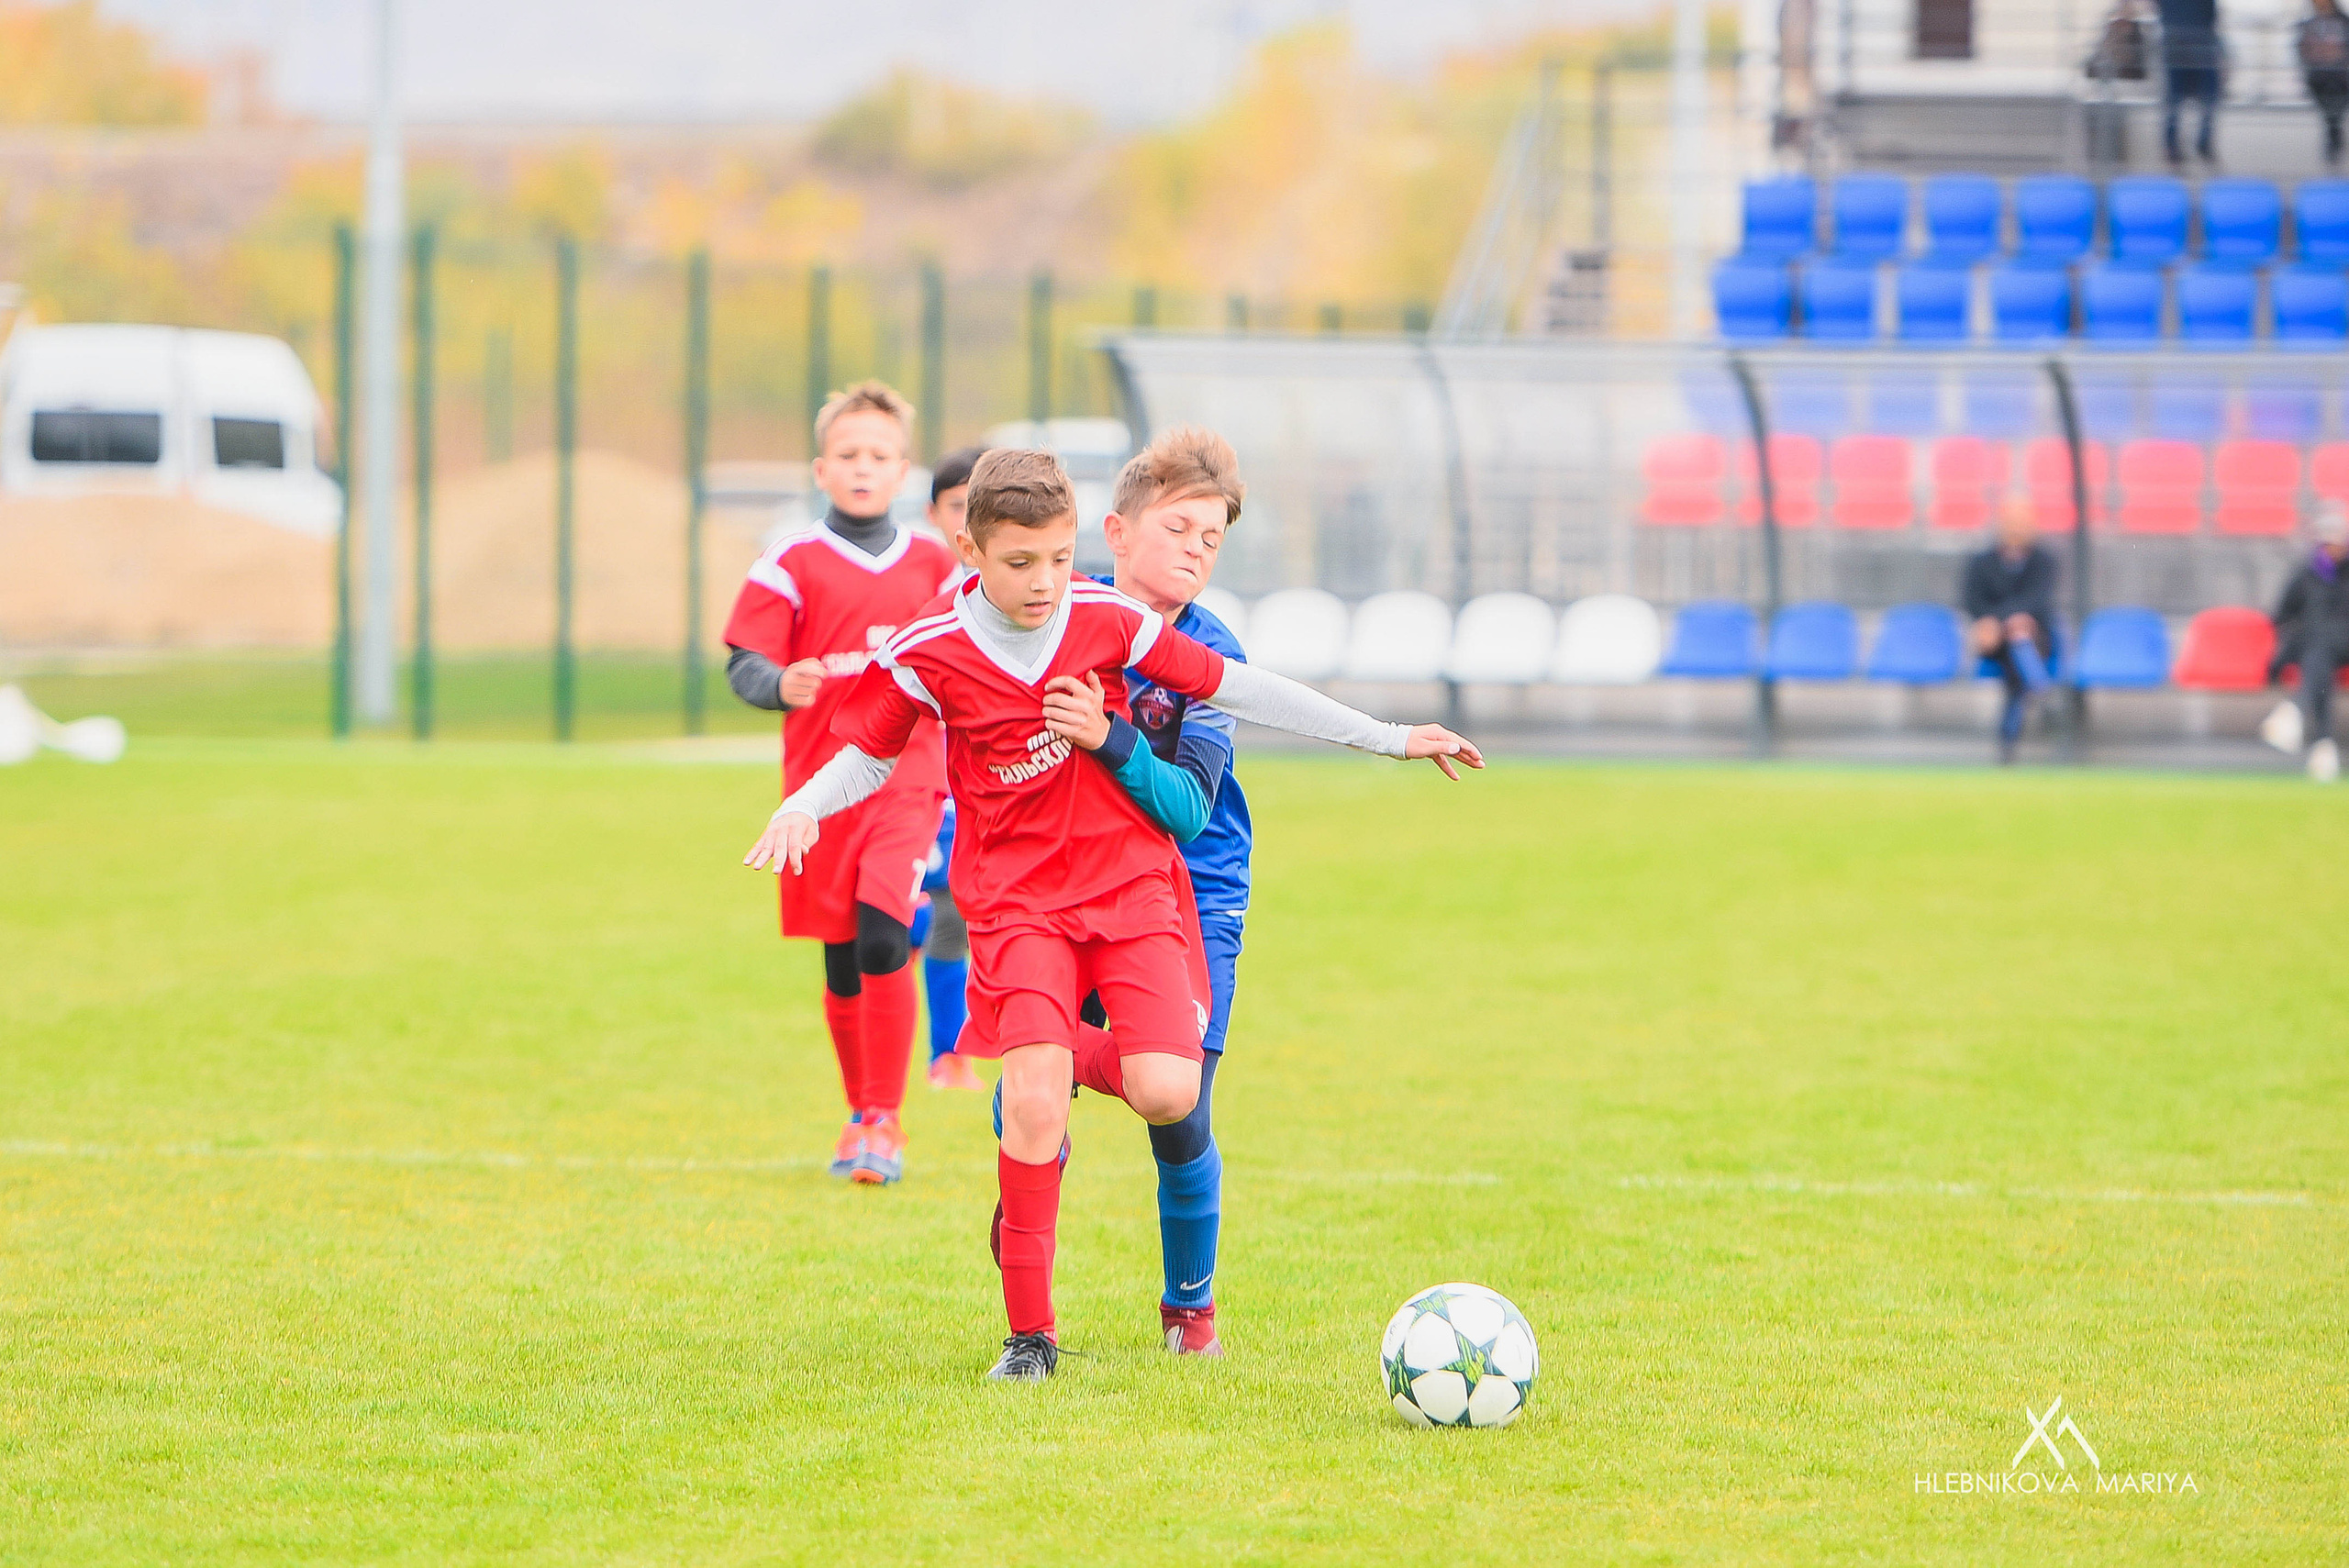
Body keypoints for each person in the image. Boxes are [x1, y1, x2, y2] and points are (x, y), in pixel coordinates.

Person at [743, 448, 1481, 1382]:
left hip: (1131, 888)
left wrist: (1387, 736)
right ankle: (1031, 1338)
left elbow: (1237, 686)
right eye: (1020, 563)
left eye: (1057, 558)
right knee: (1035, 1103)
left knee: (1168, 1091)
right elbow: (872, 750)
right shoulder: (929, 647)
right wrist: (804, 802)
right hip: (1016, 904)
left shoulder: (1107, 620)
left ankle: (1041, 1070)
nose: (1045, 581)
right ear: (969, 550)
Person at [1027, 427, 1252, 1358]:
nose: (1198, 546)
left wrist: (1107, 737)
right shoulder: (1053, 621)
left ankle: (1188, 1309)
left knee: (1179, 1108)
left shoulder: (1212, 652)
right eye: (1180, 526)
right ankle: (1027, 1305)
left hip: (1191, 892)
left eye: (1214, 536)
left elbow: (1191, 812)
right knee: (1022, 1106)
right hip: (1069, 882)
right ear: (1114, 532)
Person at [721, 381, 959, 1186]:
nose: (864, 469)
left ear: (904, 472)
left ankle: (886, 1122)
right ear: (822, 470)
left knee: (886, 930)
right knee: (842, 957)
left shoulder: (937, 563)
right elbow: (745, 661)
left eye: (880, 456)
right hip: (819, 790)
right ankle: (860, 1111)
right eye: (849, 456)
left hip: (907, 779)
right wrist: (779, 682)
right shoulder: (791, 559)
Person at [912, 447, 988, 1093]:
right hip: (914, 782)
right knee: (930, 909)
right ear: (935, 514)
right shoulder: (917, 594)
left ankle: (951, 1051)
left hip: (985, 784)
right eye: (956, 505)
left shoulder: (1015, 591)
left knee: (954, 910)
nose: (968, 518)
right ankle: (947, 1051)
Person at [1962, 496, 2060, 764]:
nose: (2017, 528)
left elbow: (2038, 600)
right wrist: (1992, 622)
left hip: (2033, 636)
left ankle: (2008, 738)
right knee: (2016, 643)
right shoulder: (1981, 562)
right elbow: (1972, 600)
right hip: (1992, 641)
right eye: (2011, 521)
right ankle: (2041, 691)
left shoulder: (2044, 561)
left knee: (2021, 639)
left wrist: (2010, 620)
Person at [2266, 506, 2349, 783]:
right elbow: (2281, 614)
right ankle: (2324, 748)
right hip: (2315, 645)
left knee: (2319, 654)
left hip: (2344, 643)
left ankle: (2295, 712)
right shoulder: (2305, 575)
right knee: (2318, 662)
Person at [2158, 0, 2225, 167]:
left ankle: (2202, 143)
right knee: (2174, 101)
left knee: (2208, 99)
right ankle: (2172, 146)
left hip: (2201, 47)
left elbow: (2212, 16)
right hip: (2178, 48)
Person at [2299, 0, 2349, 169]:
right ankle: (2333, 136)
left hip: (2341, 78)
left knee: (2334, 106)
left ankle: (2334, 137)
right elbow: (2304, 51)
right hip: (2319, 78)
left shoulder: (2344, 23)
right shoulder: (2308, 25)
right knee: (2329, 109)